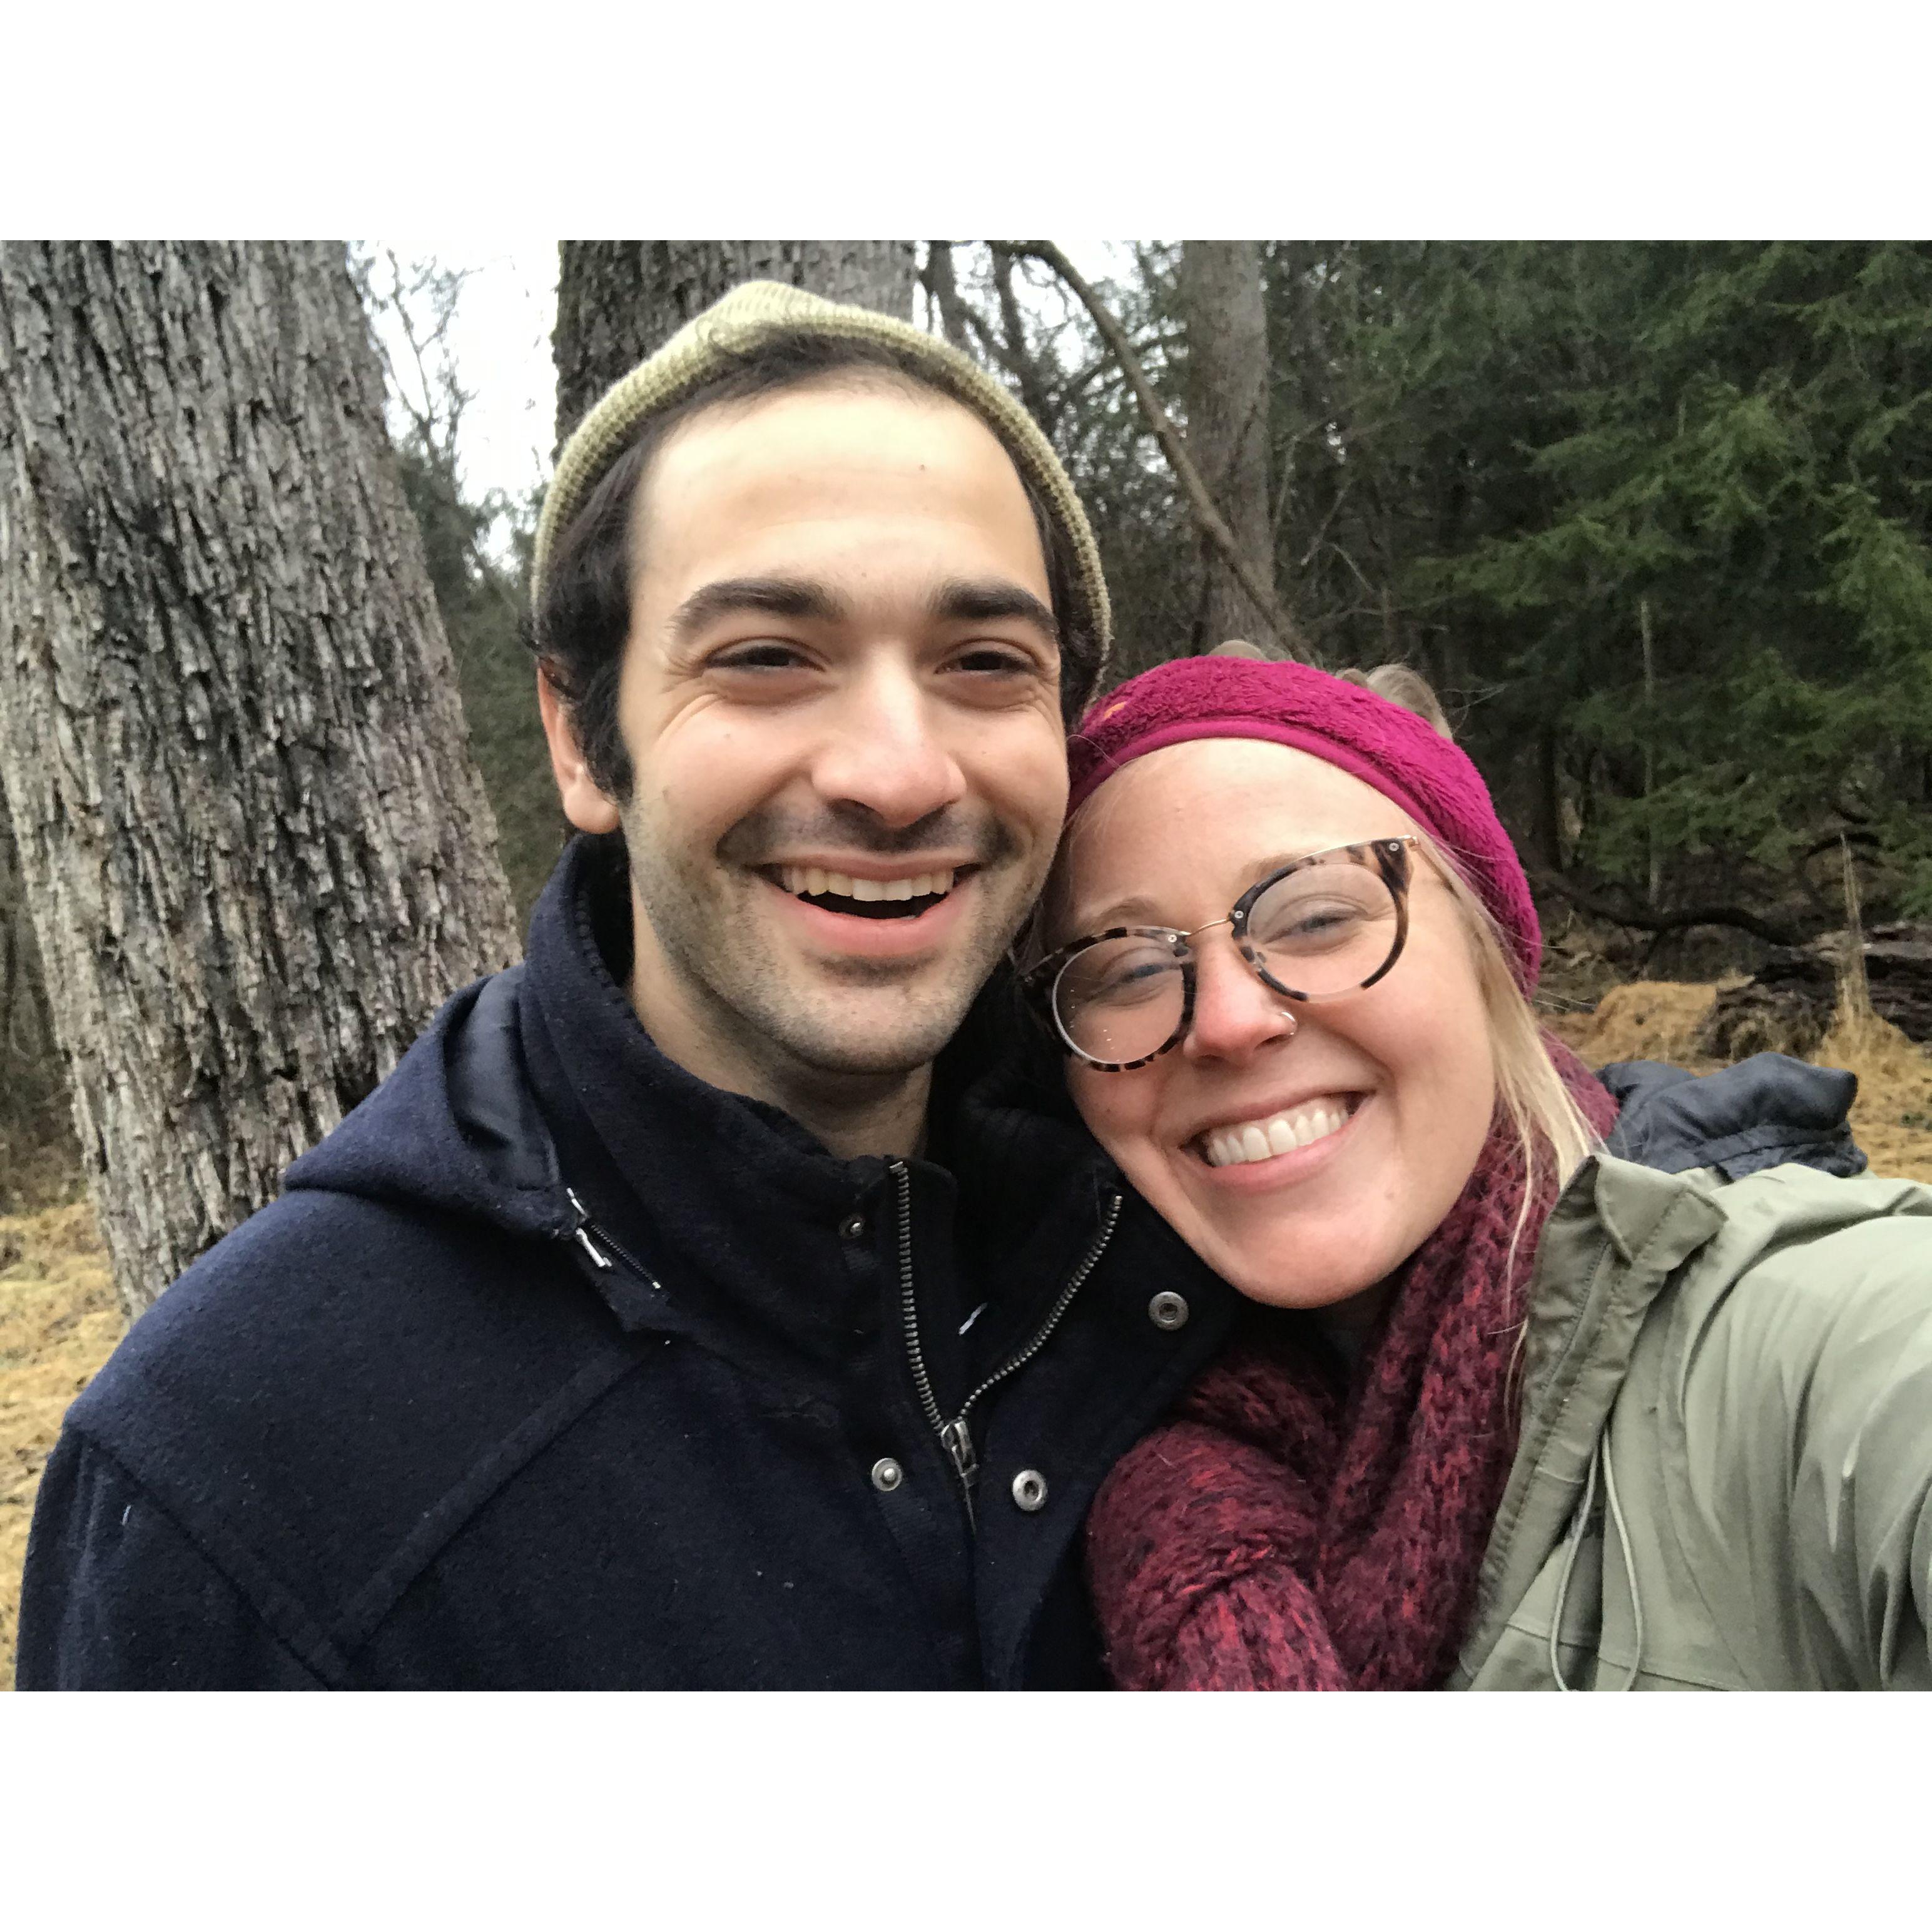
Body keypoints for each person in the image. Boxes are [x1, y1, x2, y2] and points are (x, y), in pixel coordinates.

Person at [16, 285, 1244, 1690]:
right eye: (767, 658)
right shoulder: (241, 1471)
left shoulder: (1188, 1219)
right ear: (582, 741)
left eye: (983, 664)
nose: (898, 774)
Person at [1028, 651, 1929, 1690]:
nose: (1230, 1020)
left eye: (1318, 916)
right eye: (1131, 968)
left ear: (1484, 942)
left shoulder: (1796, 1349)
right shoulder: (1055, 1444)